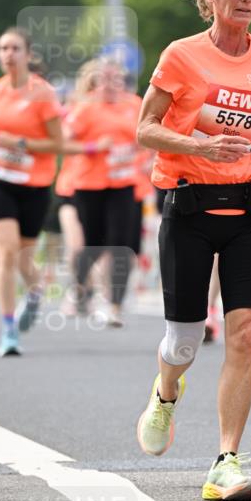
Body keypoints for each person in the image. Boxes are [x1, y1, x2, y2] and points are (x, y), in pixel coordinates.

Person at [135, 0, 251, 501]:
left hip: (249, 208)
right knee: (184, 342)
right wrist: (199, 145)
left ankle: (226, 461)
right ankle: (166, 392)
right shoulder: (181, 55)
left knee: (245, 333)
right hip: (189, 207)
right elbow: (145, 128)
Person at [0, 26, 63, 356]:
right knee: (6, 252)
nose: (8, 54)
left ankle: (34, 292)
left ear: (28, 54)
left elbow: (58, 143)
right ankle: (8, 329)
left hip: (34, 185)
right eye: (3, 48)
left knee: (23, 257)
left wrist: (19, 143)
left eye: (15, 48)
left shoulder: (42, 93)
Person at [65, 60, 141, 327]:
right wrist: (94, 147)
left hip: (124, 183)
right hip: (90, 185)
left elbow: (147, 135)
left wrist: (143, 151)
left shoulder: (134, 105)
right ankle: (78, 285)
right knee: (93, 244)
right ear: (96, 82)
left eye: (115, 79)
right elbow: (63, 142)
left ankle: (114, 306)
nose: (110, 85)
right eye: (105, 79)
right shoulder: (85, 108)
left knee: (120, 244)